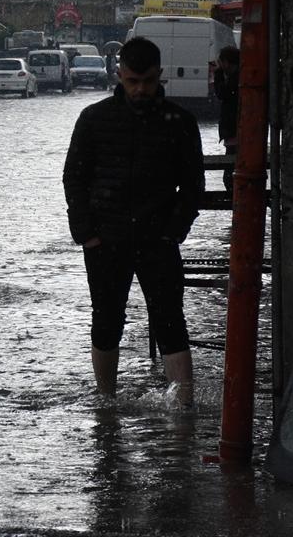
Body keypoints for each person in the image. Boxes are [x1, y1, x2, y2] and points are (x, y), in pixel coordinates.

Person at [62, 37, 205, 408]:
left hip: (156, 238)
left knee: (169, 320)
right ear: (120, 75)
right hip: (106, 239)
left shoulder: (179, 122)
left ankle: (181, 407)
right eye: (133, 82)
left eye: (147, 82)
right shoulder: (94, 119)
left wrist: (174, 231)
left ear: (159, 76)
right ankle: (106, 402)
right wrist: (87, 234)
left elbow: (193, 186)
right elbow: (74, 178)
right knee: (107, 320)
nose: (140, 89)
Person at [214, 45, 241, 191]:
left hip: (234, 134)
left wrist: (218, 73)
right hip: (237, 133)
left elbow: (221, 93)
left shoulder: (234, 80)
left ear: (226, 62)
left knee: (230, 176)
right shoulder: (238, 78)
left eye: (221, 63)